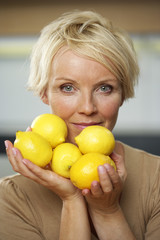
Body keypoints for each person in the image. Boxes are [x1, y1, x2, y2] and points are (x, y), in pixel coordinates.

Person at [0, 10, 160, 240]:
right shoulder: (11, 198)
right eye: (68, 87)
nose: (87, 107)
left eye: (104, 88)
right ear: (44, 93)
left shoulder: (156, 179)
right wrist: (72, 199)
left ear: (123, 94)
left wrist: (107, 211)